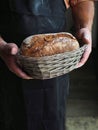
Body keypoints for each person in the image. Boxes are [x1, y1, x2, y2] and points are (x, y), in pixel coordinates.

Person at [0, 0, 94, 130]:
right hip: (8, 66)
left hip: (56, 67)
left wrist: (84, 27)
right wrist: (1, 46)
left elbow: (81, 1)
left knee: (52, 120)